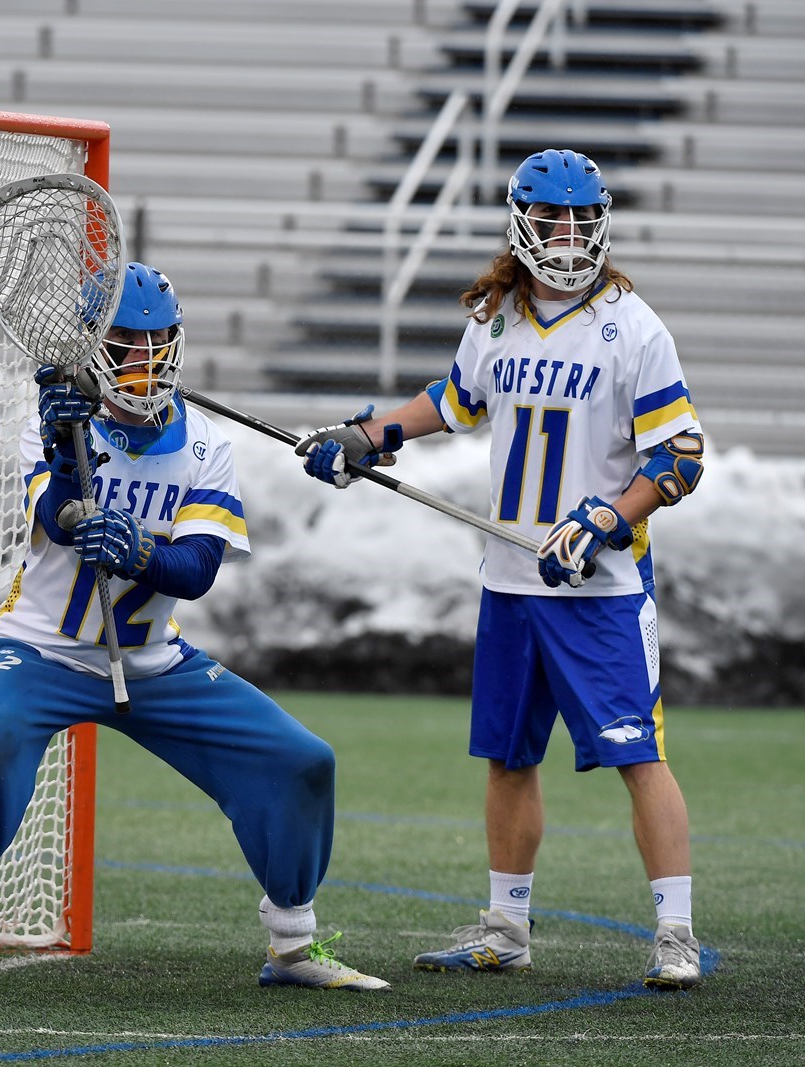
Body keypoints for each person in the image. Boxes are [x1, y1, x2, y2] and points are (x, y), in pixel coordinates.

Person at [0, 262, 390, 993]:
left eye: (161, 341)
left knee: (302, 759)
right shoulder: (47, 421)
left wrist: (137, 550)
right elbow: (59, 517)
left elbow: (196, 568)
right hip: (41, 650)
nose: (149, 358)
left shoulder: (205, 445)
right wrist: (64, 443)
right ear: (95, 345)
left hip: (152, 659)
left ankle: (292, 944)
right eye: (129, 342)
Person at [296, 149, 706, 990]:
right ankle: (506, 926)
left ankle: (675, 932)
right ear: (521, 223)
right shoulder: (497, 319)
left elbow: (681, 457)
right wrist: (365, 437)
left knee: (638, 754)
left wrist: (605, 517)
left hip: (600, 591)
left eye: (582, 219)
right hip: (511, 584)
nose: (568, 234)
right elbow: (450, 402)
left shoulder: (635, 326)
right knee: (509, 757)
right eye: (552, 219)